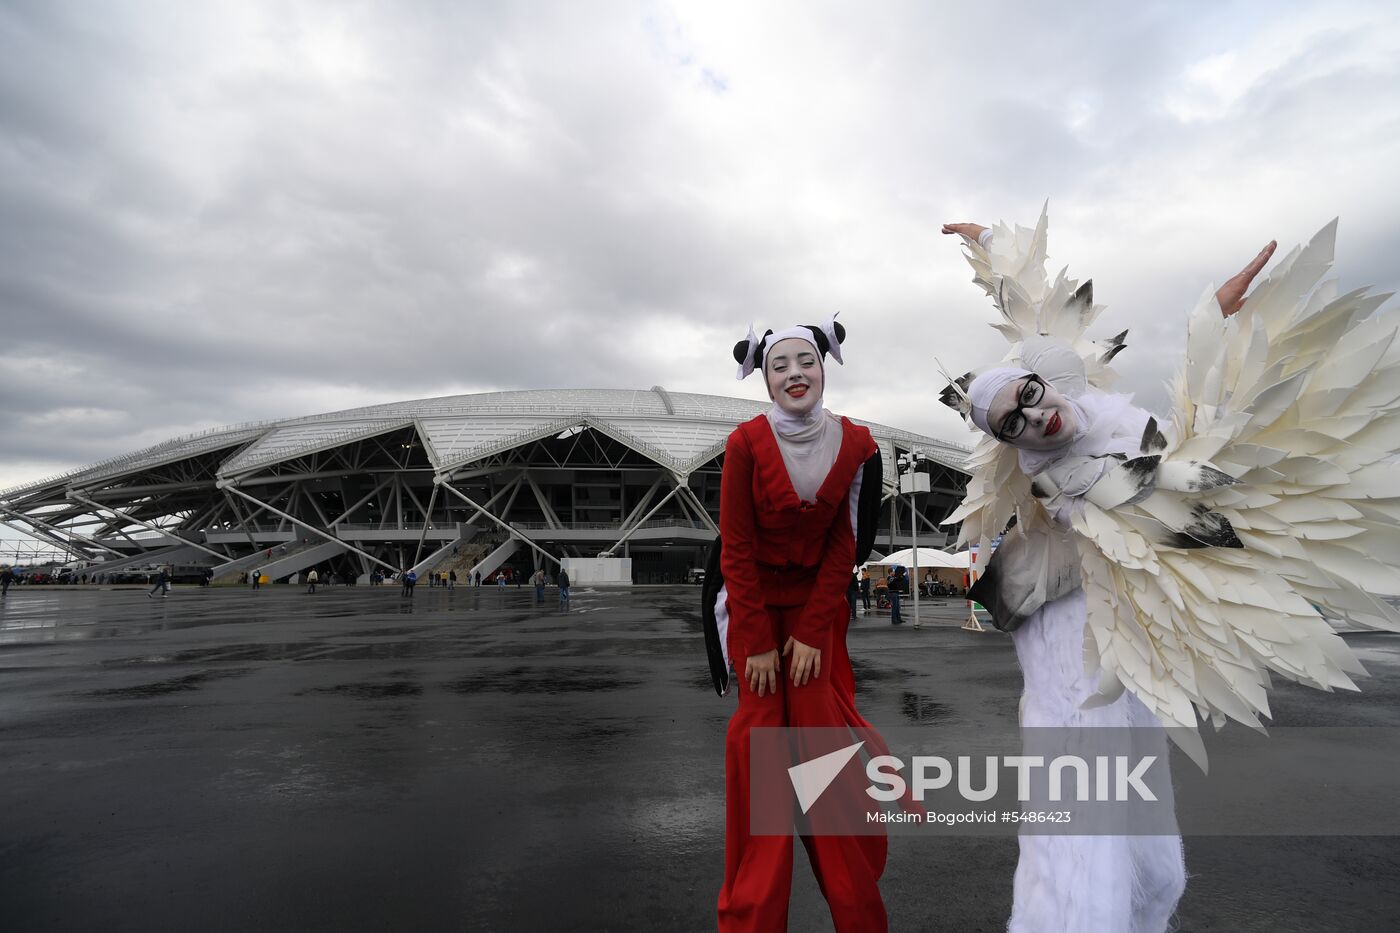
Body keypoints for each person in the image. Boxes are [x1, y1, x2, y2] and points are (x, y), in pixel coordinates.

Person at [937, 209, 1400, 933]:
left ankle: (1144, 905)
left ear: (1044, 376)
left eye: (1028, 395)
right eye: (1010, 424)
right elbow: (1165, 483)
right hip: (1069, 637)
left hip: (1131, 630)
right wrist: (1212, 335)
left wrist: (991, 245)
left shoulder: (1103, 405)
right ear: (1008, 443)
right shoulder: (1066, 476)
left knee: (1144, 820)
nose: (1032, 417)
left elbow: (1036, 307)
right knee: (1080, 804)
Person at [710, 317, 890, 932]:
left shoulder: (858, 444)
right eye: (779, 365)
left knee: (827, 761)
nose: (794, 374)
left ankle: (858, 912)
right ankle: (753, 919)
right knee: (762, 766)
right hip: (756, 609)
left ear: (824, 367)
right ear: (764, 379)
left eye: (804, 361)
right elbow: (734, 547)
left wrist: (813, 631)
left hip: (817, 615)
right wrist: (755, 645)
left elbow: (847, 545)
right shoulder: (744, 444)